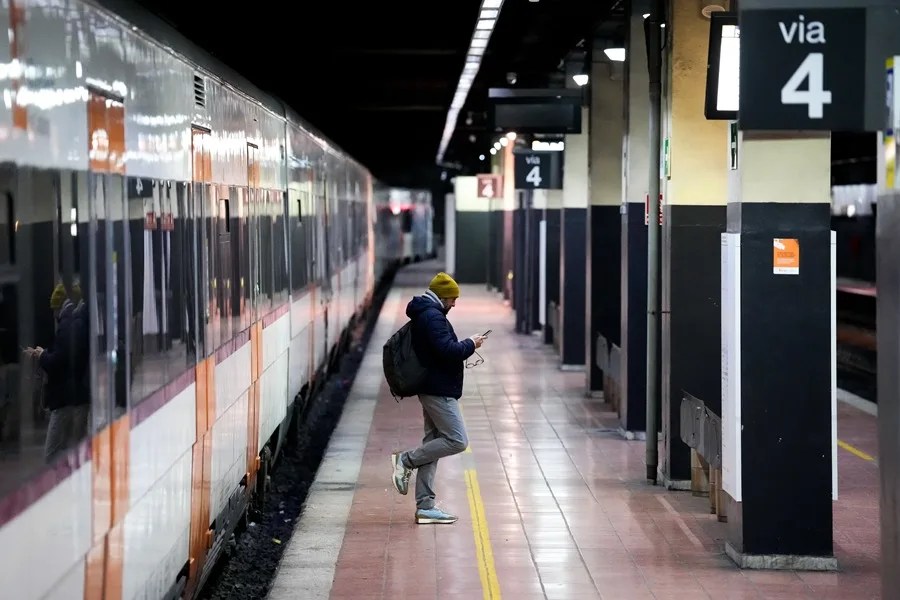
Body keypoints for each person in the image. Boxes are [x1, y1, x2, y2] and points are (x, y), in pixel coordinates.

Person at [390, 272, 486, 524]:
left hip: (434, 385)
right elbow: (447, 351)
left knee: (432, 443)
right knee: (457, 440)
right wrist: (471, 344)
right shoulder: (433, 317)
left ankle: (425, 506)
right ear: (442, 296)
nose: (454, 304)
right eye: (452, 299)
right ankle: (405, 460)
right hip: (438, 390)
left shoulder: (429, 313)